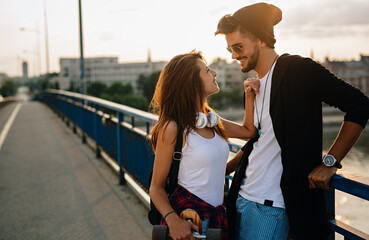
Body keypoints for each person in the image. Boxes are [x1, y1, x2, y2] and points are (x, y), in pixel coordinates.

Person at [215, 3, 369, 240]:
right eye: (230, 50)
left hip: (270, 210)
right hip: (241, 199)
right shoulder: (255, 85)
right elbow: (262, 138)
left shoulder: (298, 70)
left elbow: (360, 105)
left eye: (238, 47)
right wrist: (225, 167)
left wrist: (330, 161)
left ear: (261, 39)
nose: (234, 56)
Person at [149, 50, 257, 240]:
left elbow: (249, 131)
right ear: (192, 83)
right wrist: (173, 221)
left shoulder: (210, 121)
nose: (214, 73)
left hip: (217, 216)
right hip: (189, 218)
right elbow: (156, 187)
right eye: (207, 71)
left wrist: (249, 96)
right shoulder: (173, 127)